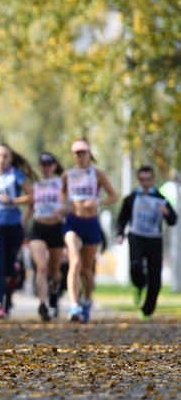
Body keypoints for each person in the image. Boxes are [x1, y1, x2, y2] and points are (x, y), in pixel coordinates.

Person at [61, 138, 118, 323]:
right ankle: (74, 305)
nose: (80, 156)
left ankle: (86, 300)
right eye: (77, 153)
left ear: (89, 154)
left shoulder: (97, 174)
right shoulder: (67, 175)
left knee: (86, 270)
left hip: (91, 223)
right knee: (74, 262)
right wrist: (61, 207)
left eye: (83, 152)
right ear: (73, 155)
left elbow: (114, 196)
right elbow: (62, 195)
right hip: (72, 222)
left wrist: (98, 201)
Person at [0, 144, 36, 320]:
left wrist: (12, 201)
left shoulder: (15, 175)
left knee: (9, 269)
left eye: (5, 156)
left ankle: (8, 296)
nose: (1, 159)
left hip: (13, 226)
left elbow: (31, 196)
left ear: (10, 159)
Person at [115, 166, 178, 320]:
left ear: (153, 179)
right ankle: (138, 286)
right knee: (135, 267)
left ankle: (147, 310)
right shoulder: (132, 198)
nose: (145, 183)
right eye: (142, 179)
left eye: (148, 179)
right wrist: (120, 233)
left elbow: (173, 220)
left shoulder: (160, 198)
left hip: (154, 239)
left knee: (155, 277)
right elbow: (122, 218)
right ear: (139, 180)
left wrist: (167, 213)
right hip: (136, 237)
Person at [27, 152, 65, 322]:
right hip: (38, 227)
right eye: (43, 165)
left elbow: (70, 202)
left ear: (54, 166)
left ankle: (54, 295)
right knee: (41, 267)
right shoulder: (36, 185)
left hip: (56, 228)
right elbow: (29, 202)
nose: (46, 168)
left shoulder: (61, 182)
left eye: (49, 165)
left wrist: (64, 212)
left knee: (54, 272)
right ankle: (42, 304)